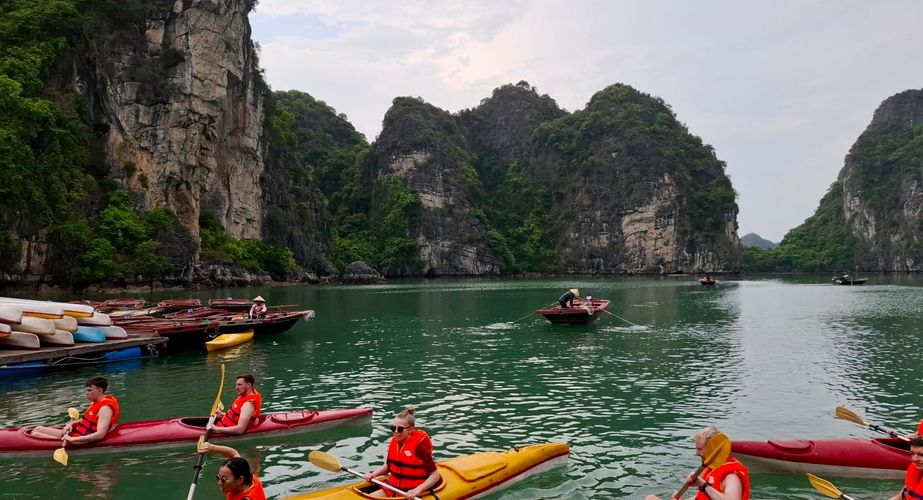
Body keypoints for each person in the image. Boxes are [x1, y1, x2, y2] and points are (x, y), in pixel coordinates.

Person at [645, 426, 750, 500]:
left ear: (712, 450)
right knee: (650, 498)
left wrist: (702, 484)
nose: (696, 453)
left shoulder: (731, 476)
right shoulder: (710, 470)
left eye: (699, 449)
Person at [363, 405, 441, 499]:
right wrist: (373, 474)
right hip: (393, 487)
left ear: (410, 430)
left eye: (400, 429)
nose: (396, 432)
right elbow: (389, 465)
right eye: (393, 428)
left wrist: (416, 490)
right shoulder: (394, 442)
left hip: (413, 491)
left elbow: (435, 475)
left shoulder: (419, 447)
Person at [29, 376, 120, 444]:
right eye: (86, 390)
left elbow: (100, 435)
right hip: (76, 433)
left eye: (89, 390)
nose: (86, 393)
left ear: (100, 390)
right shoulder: (98, 402)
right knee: (38, 429)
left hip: (80, 439)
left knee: (35, 435)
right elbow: (90, 419)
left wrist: (72, 439)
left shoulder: (105, 408)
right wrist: (72, 423)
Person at [198, 441, 266, 500]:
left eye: (223, 479)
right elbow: (233, 453)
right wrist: (211, 447)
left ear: (240, 479)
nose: (219, 483)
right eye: (218, 478)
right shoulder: (250, 477)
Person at [889, 434, 923, 500]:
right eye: (912, 453)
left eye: (921, 455)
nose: (915, 459)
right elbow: (899, 498)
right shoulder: (915, 470)